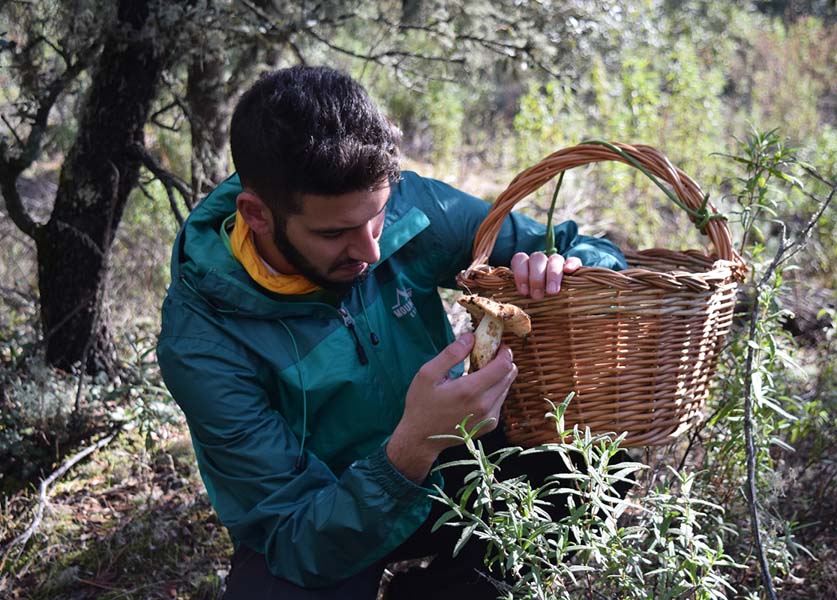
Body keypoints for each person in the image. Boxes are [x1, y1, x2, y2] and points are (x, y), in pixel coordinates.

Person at [156, 65, 628, 599]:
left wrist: (568, 269)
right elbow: (293, 537)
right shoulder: (203, 340)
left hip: (454, 468)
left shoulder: (411, 207)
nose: (371, 251)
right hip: (328, 511)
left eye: (377, 217)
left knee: (598, 461)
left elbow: (585, 248)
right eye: (335, 233)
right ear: (256, 215)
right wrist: (412, 445)